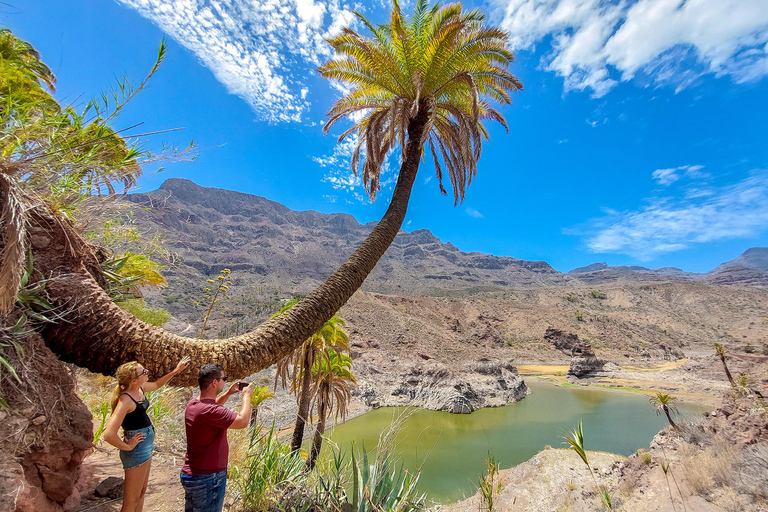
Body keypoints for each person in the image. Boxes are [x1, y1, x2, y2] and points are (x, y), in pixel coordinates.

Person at [103, 356, 191, 512]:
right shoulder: (126, 400)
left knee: (142, 492)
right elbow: (109, 434)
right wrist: (128, 446)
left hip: (145, 445)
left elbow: (157, 384)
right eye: (143, 371)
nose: (147, 372)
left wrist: (176, 371)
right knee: (131, 501)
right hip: (137, 450)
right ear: (134, 380)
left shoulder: (139, 389)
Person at [181, 363, 254, 512]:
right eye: (224, 378)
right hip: (208, 479)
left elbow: (213, 406)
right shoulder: (210, 411)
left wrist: (227, 394)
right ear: (214, 382)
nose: (225, 381)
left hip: (195, 475)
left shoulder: (194, 404)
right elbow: (243, 421)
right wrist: (246, 397)